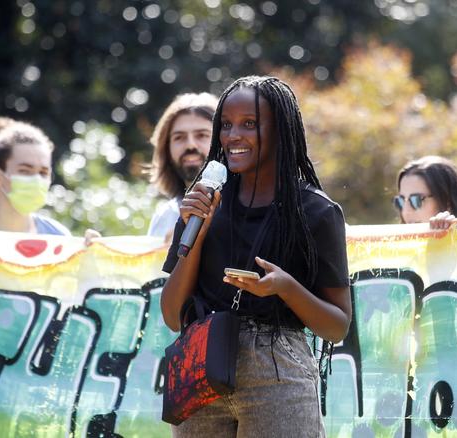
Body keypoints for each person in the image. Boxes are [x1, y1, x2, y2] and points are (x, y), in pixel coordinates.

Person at [160, 76, 351, 437]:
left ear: (281, 130)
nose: (233, 136)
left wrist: (285, 288)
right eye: (226, 125)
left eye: (249, 124)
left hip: (278, 370)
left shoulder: (316, 212)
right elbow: (172, 315)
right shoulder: (204, 202)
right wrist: (197, 232)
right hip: (202, 365)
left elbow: (336, 325)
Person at [147, 93, 218, 241]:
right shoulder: (165, 215)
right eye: (179, 137)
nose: (190, 145)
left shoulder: (244, 210)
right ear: (166, 148)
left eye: (202, 135)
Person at [394, 156, 457, 229]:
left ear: (448, 200)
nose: (405, 211)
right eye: (400, 201)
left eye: (416, 200)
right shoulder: (393, 246)